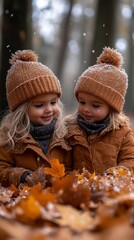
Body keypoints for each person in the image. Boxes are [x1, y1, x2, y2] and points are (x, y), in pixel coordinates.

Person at [0, 49, 70, 188]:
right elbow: (2, 169)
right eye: (39, 105)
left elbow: (71, 167)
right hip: (26, 202)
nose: (49, 109)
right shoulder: (10, 138)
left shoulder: (64, 133)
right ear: (21, 110)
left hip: (58, 202)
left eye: (53, 102)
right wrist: (21, 176)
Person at [65, 47, 134, 174]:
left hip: (110, 190)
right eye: (82, 102)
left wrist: (114, 174)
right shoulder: (70, 129)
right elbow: (64, 163)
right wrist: (72, 181)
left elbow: (130, 161)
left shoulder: (123, 133)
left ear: (112, 107)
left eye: (95, 106)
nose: (86, 109)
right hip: (79, 190)